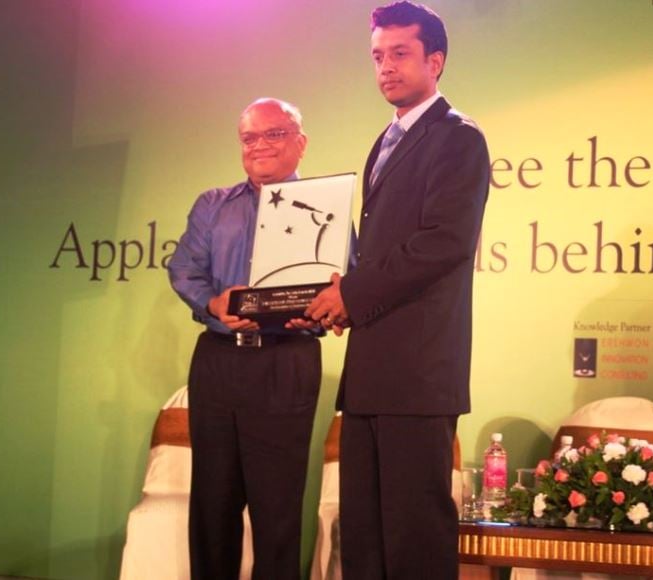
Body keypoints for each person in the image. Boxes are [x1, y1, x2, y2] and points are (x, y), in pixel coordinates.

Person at [304, 2, 490, 579]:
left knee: (412, 542)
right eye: (377, 56)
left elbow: (444, 243)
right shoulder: (383, 141)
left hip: (418, 374)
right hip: (370, 375)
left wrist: (353, 294)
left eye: (400, 54)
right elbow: (381, 254)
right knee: (364, 538)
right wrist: (340, 291)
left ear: (435, 60)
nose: (385, 66)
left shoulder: (459, 138)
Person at [168, 98, 321, 580]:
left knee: (277, 510)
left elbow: (346, 278)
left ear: (300, 142)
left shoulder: (324, 206)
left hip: (287, 361)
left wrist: (313, 314)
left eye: (273, 134)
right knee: (213, 504)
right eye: (249, 137)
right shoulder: (212, 205)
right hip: (218, 362)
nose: (259, 146)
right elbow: (184, 269)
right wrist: (214, 306)